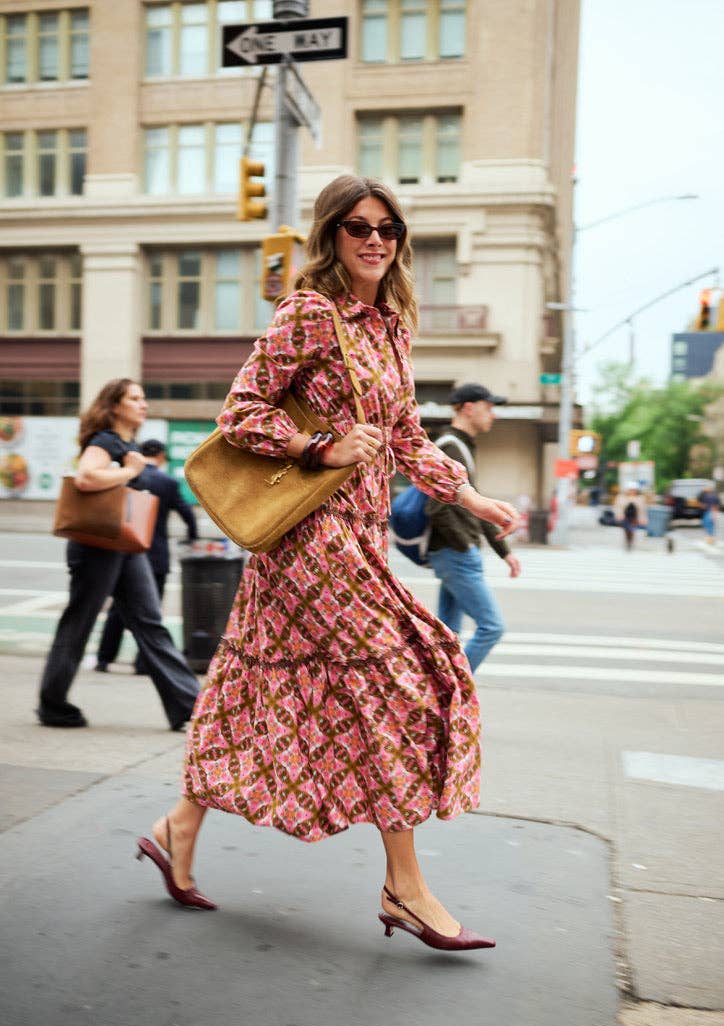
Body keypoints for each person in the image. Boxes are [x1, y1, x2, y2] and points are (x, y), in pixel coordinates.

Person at [136, 175, 519, 951]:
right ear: (331, 236)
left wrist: (473, 499)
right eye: (357, 227)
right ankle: (404, 886)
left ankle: (176, 828)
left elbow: (406, 434)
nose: (375, 240)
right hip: (312, 538)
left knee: (250, 686)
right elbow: (240, 411)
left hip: (355, 536)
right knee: (403, 683)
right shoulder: (310, 314)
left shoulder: (391, 326)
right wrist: (321, 446)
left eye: (388, 228)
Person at [37, 380, 200, 730]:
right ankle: (52, 704)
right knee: (80, 621)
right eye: (135, 398)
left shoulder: (128, 444)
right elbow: (85, 477)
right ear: (114, 407)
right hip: (97, 545)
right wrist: (130, 471)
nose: (144, 404)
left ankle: (189, 707)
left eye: (144, 397)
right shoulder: (106, 441)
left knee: (149, 622)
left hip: (124, 545)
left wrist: (131, 465)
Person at [425, 384, 521, 674]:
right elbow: (436, 508)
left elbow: (475, 505)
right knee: (491, 627)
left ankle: (437, 691)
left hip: (454, 553)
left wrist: (503, 550)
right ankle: (453, 690)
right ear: (469, 407)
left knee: (448, 636)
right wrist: (463, 545)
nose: (493, 415)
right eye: (488, 407)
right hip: (456, 554)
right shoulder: (450, 447)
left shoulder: (461, 445)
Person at [95, 438, 198, 674]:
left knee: (118, 610)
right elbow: (187, 514)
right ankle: (142, 663)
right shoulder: (168, 482)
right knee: (150, 613)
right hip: (156, 555)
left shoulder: (127, 477)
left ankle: (104, 659)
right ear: (161, 455)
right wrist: (192, 537)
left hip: (125, 551)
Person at [613, 485, 648, 550]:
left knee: (632, 530)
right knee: (626, 530)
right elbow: (618, 507)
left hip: (634, 517)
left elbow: (642, 509)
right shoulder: (621, 497)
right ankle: (627, 541)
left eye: (633, 490)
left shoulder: (640, 498)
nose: (632, 491)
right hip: (625, 517)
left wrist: (643, 519)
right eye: (630, 490)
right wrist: (618, 516)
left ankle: (630, 542)